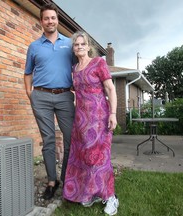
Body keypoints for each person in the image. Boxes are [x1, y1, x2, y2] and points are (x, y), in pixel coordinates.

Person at [63, 31, 119, 216]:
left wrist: (113, 114)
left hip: (99, 118)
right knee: (85, 157)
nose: (79, 47)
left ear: (88, 47)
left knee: (101, 157)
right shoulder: (74, 69)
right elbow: (76, 95)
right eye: (76, 45)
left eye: (82, 44)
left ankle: (111, 197)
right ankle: (93, 193)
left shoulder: (98, 63)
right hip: (81, 121)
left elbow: (110, 88)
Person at [24, 3, 75, 200]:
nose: (50, 21)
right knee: (48, 141)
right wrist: (31, 94)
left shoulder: (69, 44)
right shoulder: (34, 47)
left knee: (70, 138)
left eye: (53, 18)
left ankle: (67, 178)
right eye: (46, 18)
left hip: (64, 96)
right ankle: (52, 181)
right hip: (41, 97)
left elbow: (80, 67)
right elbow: (27, 73)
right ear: (41, 21)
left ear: (57, 20)